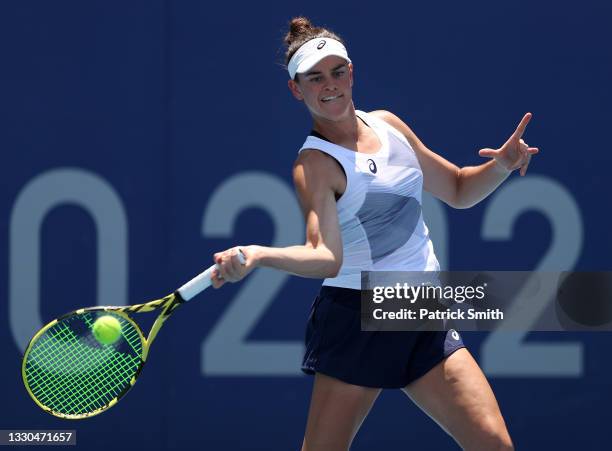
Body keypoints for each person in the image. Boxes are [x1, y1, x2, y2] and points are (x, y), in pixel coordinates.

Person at [211, 17, 538, 451]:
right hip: (358, 315)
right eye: (315, 78)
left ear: (352, 72)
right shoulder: (315, 165)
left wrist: (501, 165)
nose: (330, 85)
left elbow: (458, 188)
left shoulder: (388, 125)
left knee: (494, 444)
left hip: (420, 306)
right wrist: (257, 255)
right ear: (297, 88)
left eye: (337, 71)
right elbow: (326, 256)